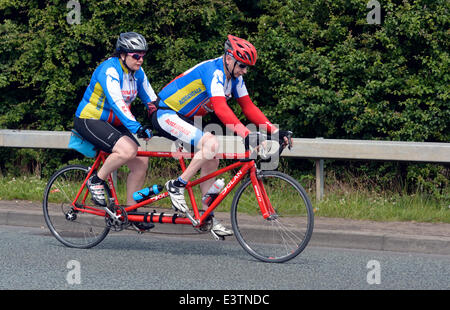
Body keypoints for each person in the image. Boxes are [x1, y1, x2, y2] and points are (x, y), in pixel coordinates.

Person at [152, 35, 293, 237]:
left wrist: (276, 131)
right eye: (242, 65)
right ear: (229, 58)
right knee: (211, 143)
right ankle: (176, 186)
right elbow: (220, 108)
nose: (244, 71)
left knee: (213, 155)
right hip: (166, 112)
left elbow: (248, 106)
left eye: (247, 67)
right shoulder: (214, 71)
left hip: (187, 117)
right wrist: (246, 133)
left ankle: (206, 216)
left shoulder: (235, 78)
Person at [74, 32, 156, 217]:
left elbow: (152, 101)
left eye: (143, 55)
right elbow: (117, 103)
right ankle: (96, 180)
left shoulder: (138, 73)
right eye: (136, 55)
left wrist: (164, 121)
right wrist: (137, 127)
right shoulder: (110, 70)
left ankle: (130, 210)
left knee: (141, 161)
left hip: (114, 123)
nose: (140, 60)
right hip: (90, 119)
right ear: (122, 54)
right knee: (127, 150)